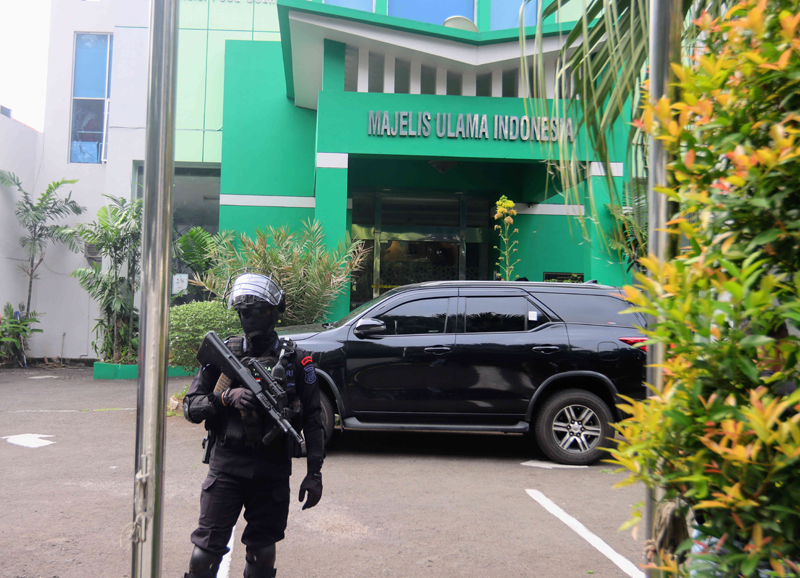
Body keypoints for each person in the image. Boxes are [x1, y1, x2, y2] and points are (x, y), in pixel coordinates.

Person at [182, 273, 325, 578]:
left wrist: (314, 473)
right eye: (245, 312)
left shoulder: (298, 361)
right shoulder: (222, 355)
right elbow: (190, 407)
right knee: (204, 555)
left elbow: (314, 419)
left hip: (271, 470)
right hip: (227, 467)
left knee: (262, 554)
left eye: (259, 311)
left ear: (275, 312)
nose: (251, 318)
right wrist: (225, 398)